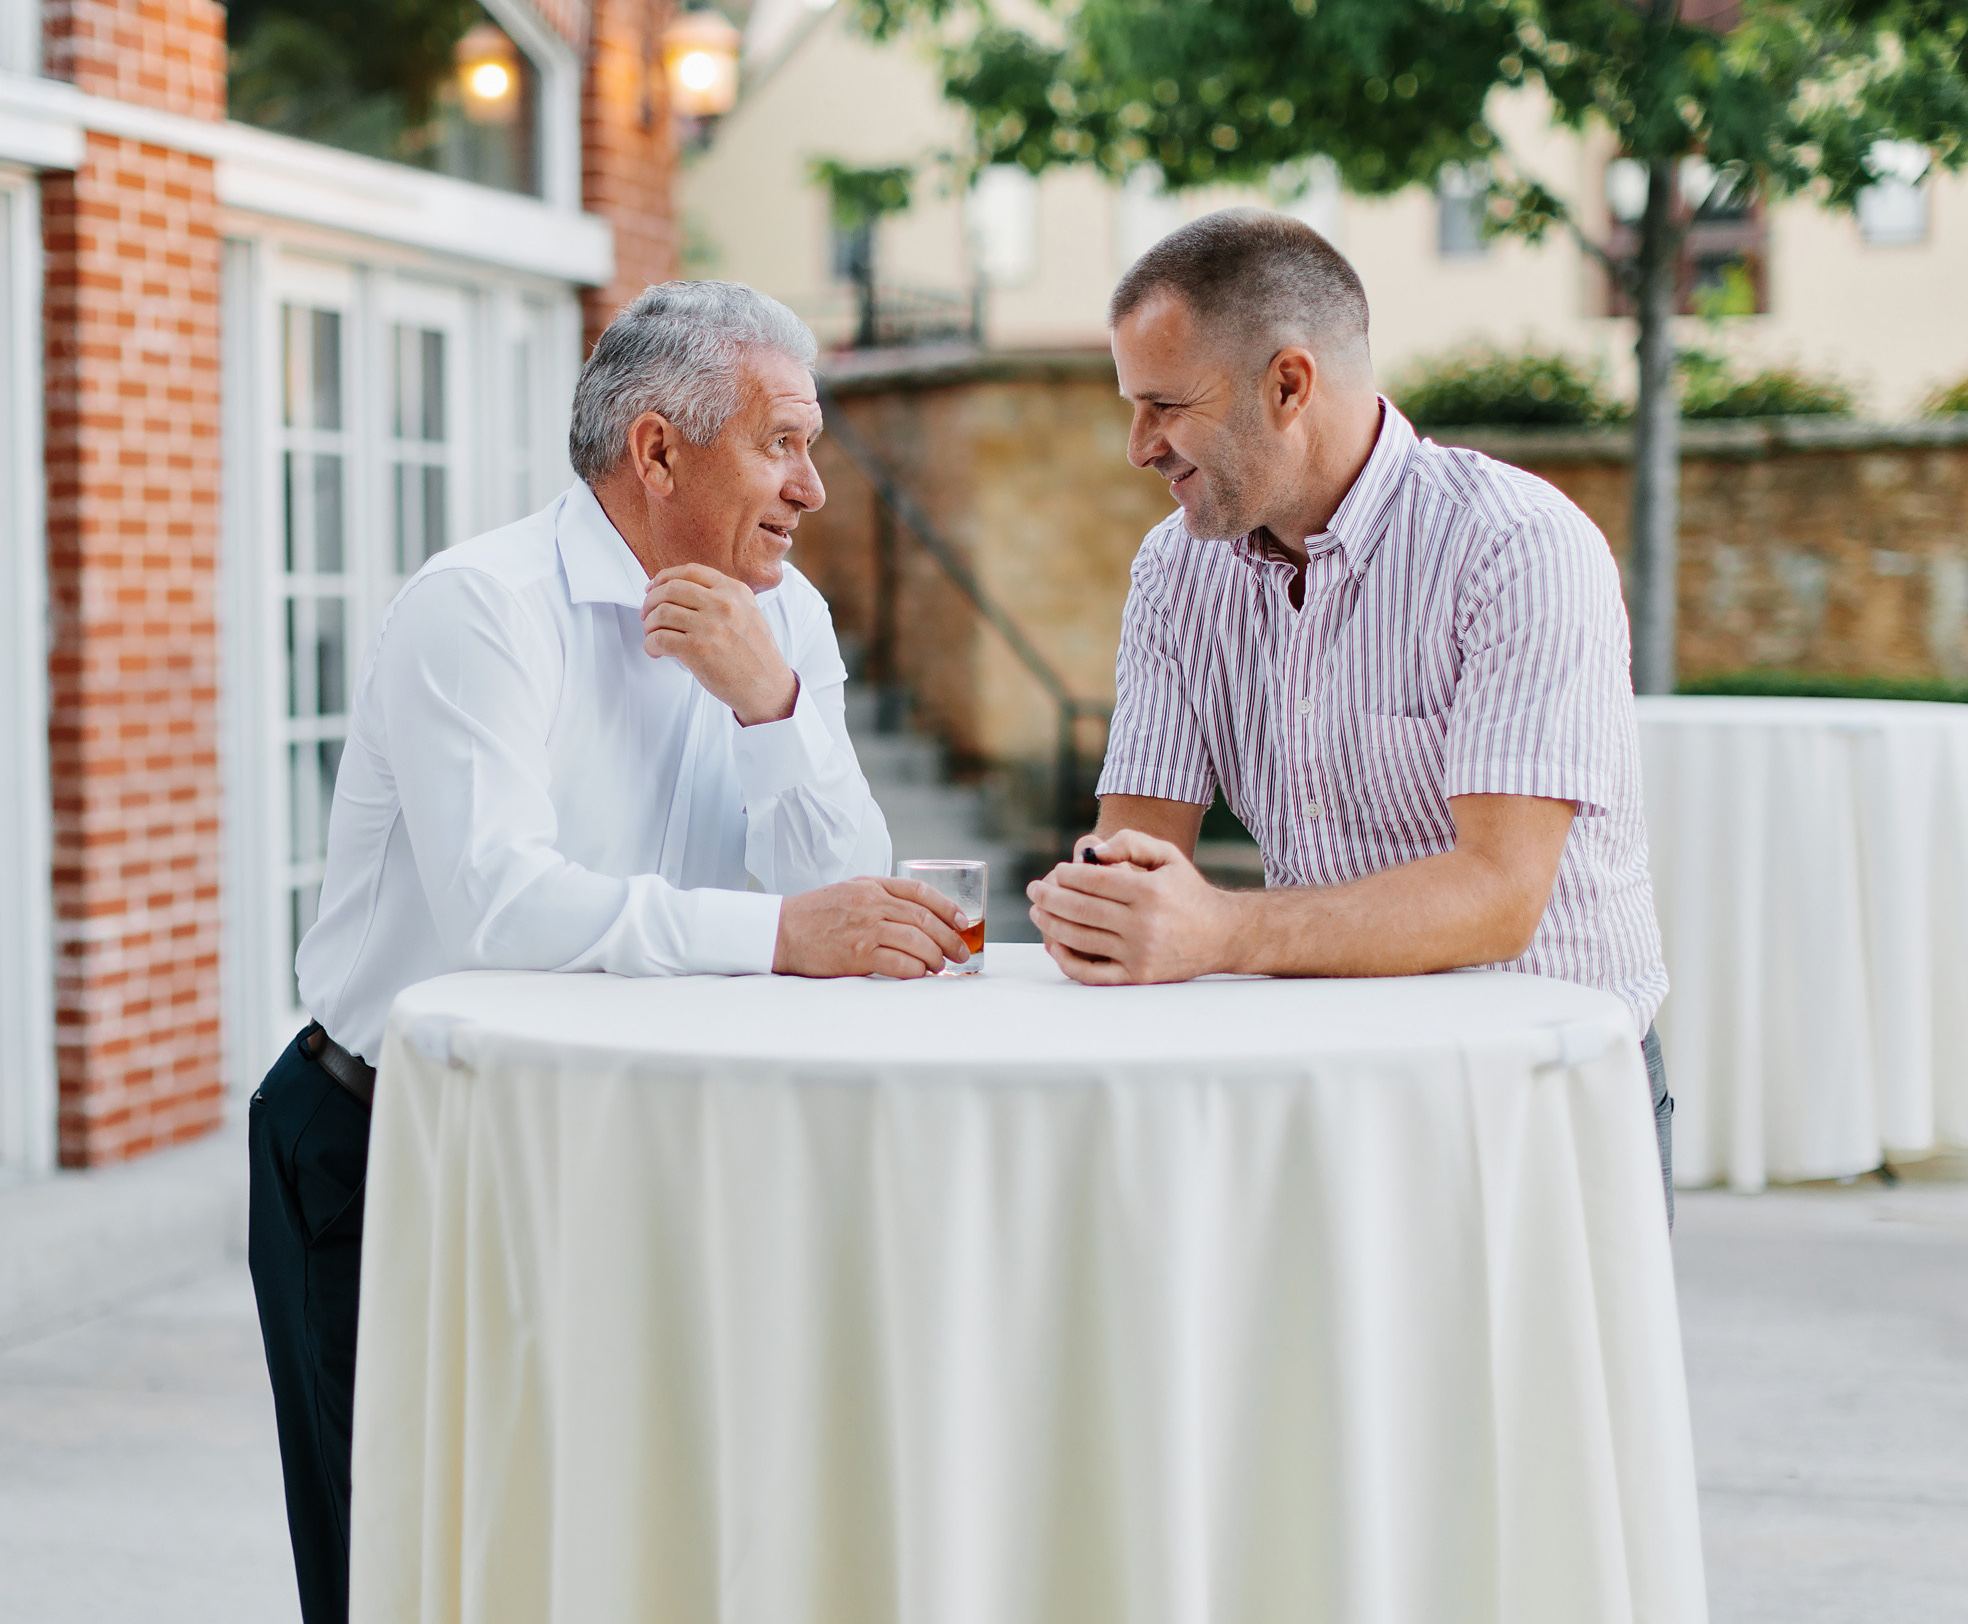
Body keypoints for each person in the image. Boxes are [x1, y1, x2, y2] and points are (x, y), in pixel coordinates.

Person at [248, 280, 972, 1624]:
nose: (814, 487)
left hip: (641, 1139)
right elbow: (500, 911)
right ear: (656, 451)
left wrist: (774, 706)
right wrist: (775, 937)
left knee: (618, 1557)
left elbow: (845, 900)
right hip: (397, 1146)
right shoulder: (479, 606)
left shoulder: (788, 617)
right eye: (784, 443)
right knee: (401, 1562)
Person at [1026, 208, 1672, 1207]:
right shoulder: (1171, 571)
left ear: (1288, 384)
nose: (1136, 445)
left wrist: (1219, 933)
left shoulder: (1515, 545)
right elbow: (1136, 850)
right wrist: (1100, 908)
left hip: (1536, 1095)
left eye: (1162, 405)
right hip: (1320, 1087)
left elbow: (1499, 898)